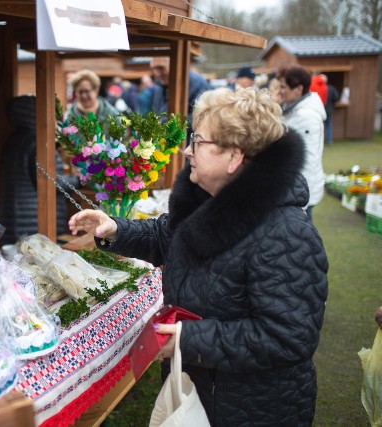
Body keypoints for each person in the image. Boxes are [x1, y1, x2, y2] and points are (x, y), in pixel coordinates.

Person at [69, 87, 329, 426]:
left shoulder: (286, 234)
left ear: (234, 157)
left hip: (252, 408)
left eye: (199, 141)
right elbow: (167, 237)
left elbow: (288, 336)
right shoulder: (206, 199)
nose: (187, 149)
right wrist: (114, 229)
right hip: (204, 391)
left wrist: (190, 339)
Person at [0, 95, 79, 245]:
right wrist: (79, 180)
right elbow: (51, 181)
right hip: (34, 222)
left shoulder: (14, 139)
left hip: (14, 218)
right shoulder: (38, 143)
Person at [279, 65, 327, 223]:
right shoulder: (293, 110)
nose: (280, 91)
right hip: (294, 188)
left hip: (302, 193)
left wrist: (301, 198)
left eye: (284, 87)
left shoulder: (307, 117)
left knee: (303, 234)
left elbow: (308, 160)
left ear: (298, 89)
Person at [322, 74, 339, 145]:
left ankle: (321, 141)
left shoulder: (319, 89)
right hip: (329, 110)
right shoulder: (331, 88)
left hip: (321, 110)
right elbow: (336, 99)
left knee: (321, 126)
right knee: (328, 125)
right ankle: (329, 140)